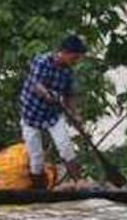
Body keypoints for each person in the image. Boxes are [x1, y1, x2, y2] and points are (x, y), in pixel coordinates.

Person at [19, 34, 87, 189]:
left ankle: (80, 183)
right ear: (64, 52)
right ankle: (40, 191)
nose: (76, 61)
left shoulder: (68, 72)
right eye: (74, 57)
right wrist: (47, 95)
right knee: (36, 158)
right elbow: (37, 84)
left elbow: (70, 96)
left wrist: (76, 117)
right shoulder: (42, 61)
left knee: (66, 147)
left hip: (53, 116)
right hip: (31, 115)